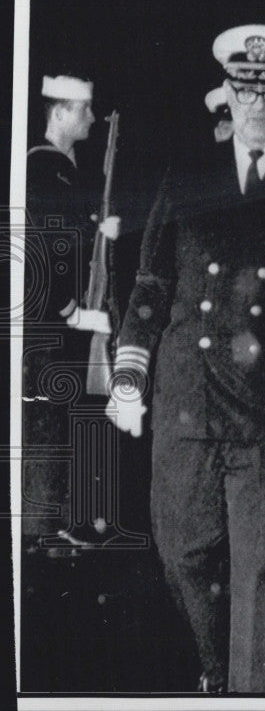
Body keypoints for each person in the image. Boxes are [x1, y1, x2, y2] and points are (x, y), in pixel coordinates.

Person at [105, 24, 265, 693]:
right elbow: (151, 282)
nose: (255, 105)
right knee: (180, 552)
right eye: (245, 89)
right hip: (185, 399)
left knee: (262, 572)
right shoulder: (188, 175)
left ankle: (246, 693)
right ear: (229, 91)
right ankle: (220, 670)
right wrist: (130, 372)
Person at [22, 73, 121, 551]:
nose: (92, 117)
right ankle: (39, 534)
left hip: (58, 323)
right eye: (83, 110)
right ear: (59, 113)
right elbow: (41, 252)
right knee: (46, 422)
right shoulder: (43, 169)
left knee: (57, 418)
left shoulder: (63, 169)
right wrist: (73, 312)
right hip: (46, 323)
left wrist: (102, 225)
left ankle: (50, 527)